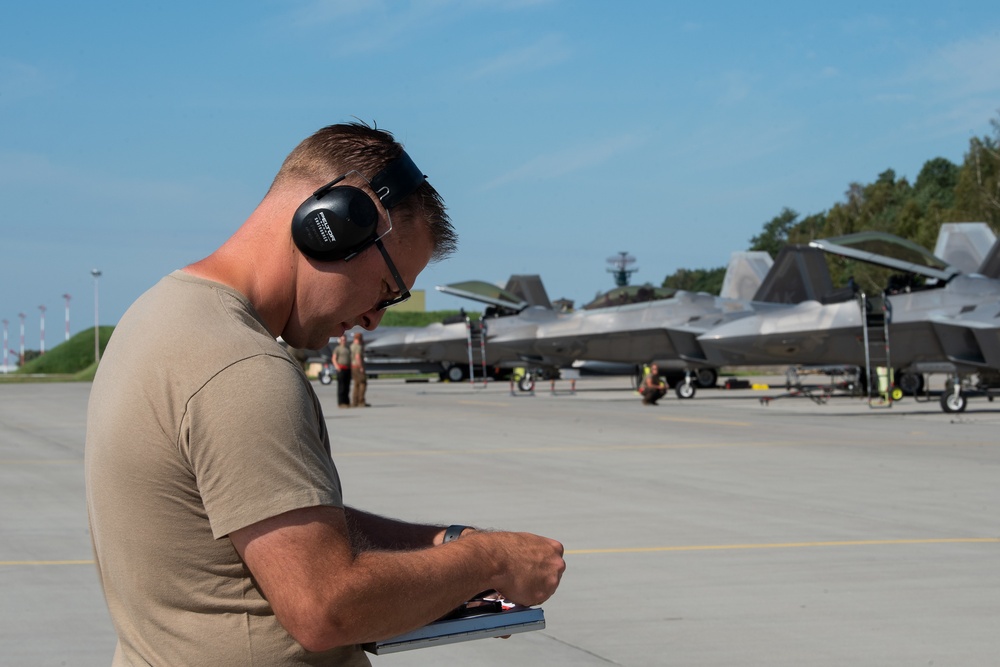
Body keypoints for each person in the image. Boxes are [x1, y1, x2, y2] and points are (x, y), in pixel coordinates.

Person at [84, 122, 565, 666]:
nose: (374, 321)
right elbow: (326, 608)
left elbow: (277, 520)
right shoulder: (243, 370)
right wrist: (488, 561)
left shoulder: (160, 315)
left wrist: (449, 546)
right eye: (387, 290)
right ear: (332, 225)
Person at [350, 332, 369, 407]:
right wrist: (361, 367)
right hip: (358, 367)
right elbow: (358, 357)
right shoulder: (358, 346)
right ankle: (361, 401)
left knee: (356, 384)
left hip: (353, 366)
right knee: (363, 383)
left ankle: (355, 401)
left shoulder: (352, 346)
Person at [332, 334, 352, 407]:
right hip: (341, 369)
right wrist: (337, 367)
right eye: (342, 340)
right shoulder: (337, 348)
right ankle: (341, 403)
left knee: (347, 386)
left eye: (344, 340)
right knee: (341, 387)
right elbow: (334, 358)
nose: (343, 341)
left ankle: (346, 402)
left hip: (348, 368)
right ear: (340, 340)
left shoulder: (347, 348)